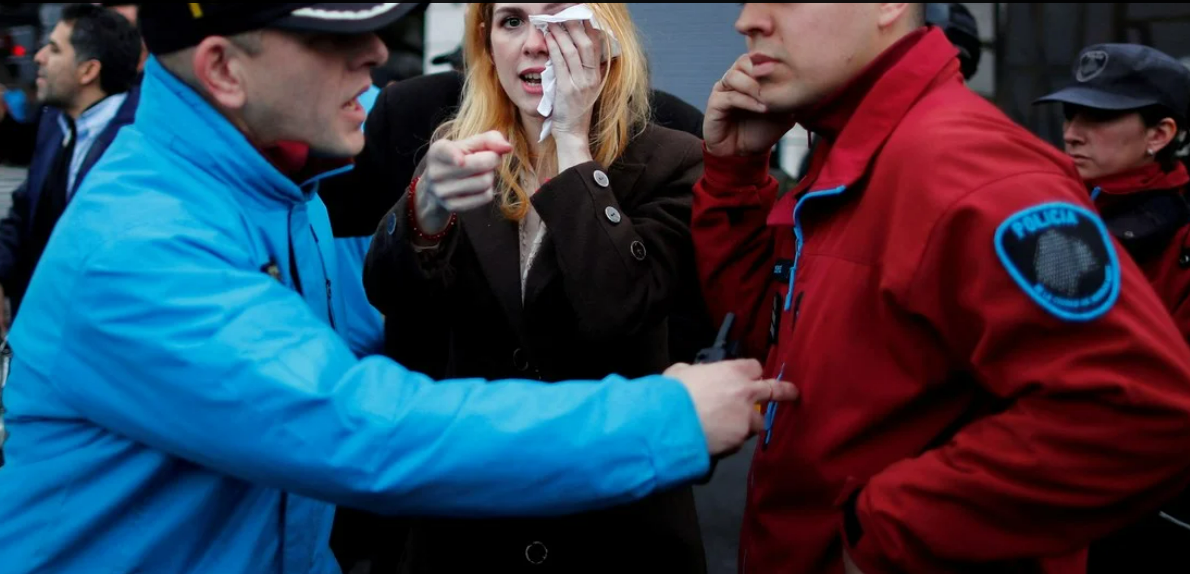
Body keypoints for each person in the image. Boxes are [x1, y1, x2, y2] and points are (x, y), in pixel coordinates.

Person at [0, 4, 795, 573]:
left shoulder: (277, 190)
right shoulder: (143, 246)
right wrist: (662, 418)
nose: (377, 54)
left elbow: (348, 333)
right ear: (223, 70)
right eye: (331, 37)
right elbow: (357, 425)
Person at [693, 4, 1190, 574]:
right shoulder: (853, 153)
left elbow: (1141, 415)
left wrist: (883, 530)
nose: (748, 19)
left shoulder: (962, 163)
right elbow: (781, 359)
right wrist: (734, 173)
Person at [362, 4, 712, 571]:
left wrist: (573, 143)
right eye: (512, 21)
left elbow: (619, 307)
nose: (534, 43)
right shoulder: (461, 149)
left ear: (605, 36)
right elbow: (392, 297)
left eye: (558, 20)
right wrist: (425, 205)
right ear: (486, 42)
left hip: (612, 520)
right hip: (471, 512)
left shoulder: (675, 157)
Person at [1035, 42, 1190, 574]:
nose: (1072, 131)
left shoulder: (1179, 233)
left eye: (1097, 117)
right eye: (1070, 113)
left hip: (1136, 509)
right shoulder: (1054, 205)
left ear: (1160, 135)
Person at [0, 3, 141, 333]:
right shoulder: (55, 122)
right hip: (36, 333)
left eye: (53, 49)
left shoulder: (140, 141)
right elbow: (26, 212)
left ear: (87, 71)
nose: (38, 58)